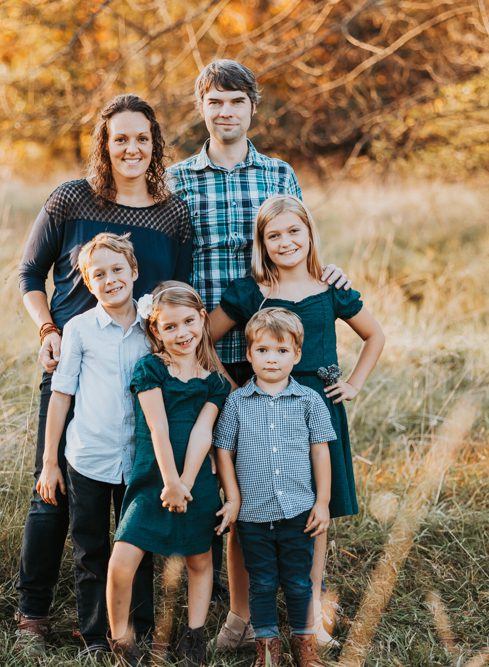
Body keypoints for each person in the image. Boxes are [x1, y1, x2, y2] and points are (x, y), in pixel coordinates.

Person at [167, 59, 349, 644]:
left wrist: (330, 274)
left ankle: (310, 610)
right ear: (202, 107)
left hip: (279, 349)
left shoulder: (278, 172)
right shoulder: (179, 179)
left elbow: (300, 238)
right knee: (240, 487)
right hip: (219, 350)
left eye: (235, 102)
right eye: (214, 102)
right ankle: (242, 616)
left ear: (252, 106)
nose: (225, 112)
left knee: (296, 482)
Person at [15, 94, 192, 651]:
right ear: (105, 144)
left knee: (135, 498)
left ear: (155, 144)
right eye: (120, 138)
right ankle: (33, 617)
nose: (131, 148)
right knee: (57, 492)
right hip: (75, 361)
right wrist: (48, 330)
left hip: (144, 376)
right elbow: (28, 274)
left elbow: (178, 296)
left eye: (142, 138)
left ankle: (124, 626)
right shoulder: (72, 199)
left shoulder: (172, 213)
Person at [209, 195, 386, 650]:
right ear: (261, 244)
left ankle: (308, 619)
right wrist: (232, 388)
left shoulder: (330, 288)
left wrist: (353, 384)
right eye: (274, 235)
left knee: (314, 512)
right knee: (247, 509)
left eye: (294, 231)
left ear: (309, 234)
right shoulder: (251, 290)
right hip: (258, 414)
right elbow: (205, 340)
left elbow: (375, 334)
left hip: (316, 411)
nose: (285, 242)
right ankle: (240, 619)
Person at [33, 232, 154, 653]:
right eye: (98, 274)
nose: (110, 280)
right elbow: (62, 393)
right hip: (88, 457)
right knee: (90, 549)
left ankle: (136, 631)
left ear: (134, 272)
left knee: (136, 547)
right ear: (87, 282)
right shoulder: (80, 329)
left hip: (139, 459)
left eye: (118, 270)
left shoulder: (153, 326)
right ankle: (93, 636)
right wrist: (50, 463)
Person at [105, 281, 234, 667]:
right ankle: (121, 642)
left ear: (202, 319)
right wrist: (170, 482)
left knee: (199, 561)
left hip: (196, 486)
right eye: (170, 327)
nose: (182, 334)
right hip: (152, 481)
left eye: (189, 322)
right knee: (122, 560)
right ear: (155, 332)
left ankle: (193, 637)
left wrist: (187, 484)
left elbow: (202, 432)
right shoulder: (151, 369)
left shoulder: (213, 381)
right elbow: (158, 427)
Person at [214, 308, 337, 667]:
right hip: (253, 514)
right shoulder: (236, 403)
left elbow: (321, 452)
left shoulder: (309, 401)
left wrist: (323, 502)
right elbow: (223, 450)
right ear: (249, 354)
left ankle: (306, 648)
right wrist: (234, 497)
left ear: (296, 355)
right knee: (263, 584)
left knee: (300, 583)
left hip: (299, 511)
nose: (272, 359)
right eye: (263, 350)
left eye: (282, 351)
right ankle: (266, 650)